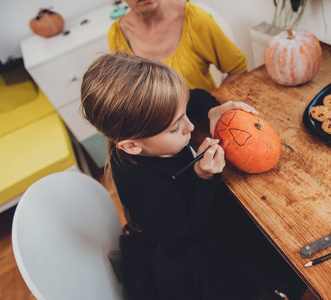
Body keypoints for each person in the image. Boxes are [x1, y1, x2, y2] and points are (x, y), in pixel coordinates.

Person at [81, 53, 307, 299]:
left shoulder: (158, 115)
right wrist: (203, 177)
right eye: (176, 127)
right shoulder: (140, 185)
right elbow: (188, 227)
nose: (189, 126)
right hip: (188, 248)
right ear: (132, 146)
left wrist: (213, 110)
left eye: (184, 115)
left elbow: (195, 95)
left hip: (197, 214)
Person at [107, 0, 247, 92]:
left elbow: (238, 70)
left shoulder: (195, 19)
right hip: (154, 131)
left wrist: (211, 109)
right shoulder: (117, 34)